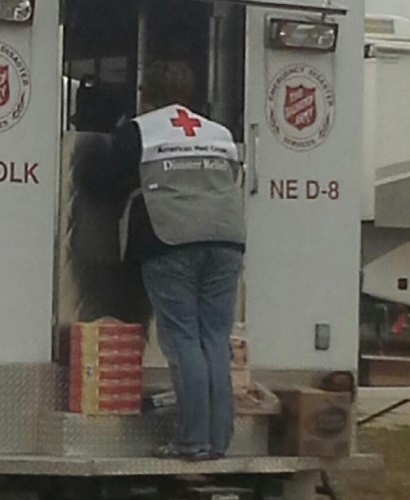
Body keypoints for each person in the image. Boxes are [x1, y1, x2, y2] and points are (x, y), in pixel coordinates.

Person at [112, 61, 246, 460]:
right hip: (226, 240)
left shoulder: (140, 130)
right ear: (190, 94)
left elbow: (106, 178)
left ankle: (191, 441)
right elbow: (230, 179)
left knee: (183, 339)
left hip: (171, 240)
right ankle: (219, 441)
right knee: (214, 341)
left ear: (145, 91)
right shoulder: (218, 132)